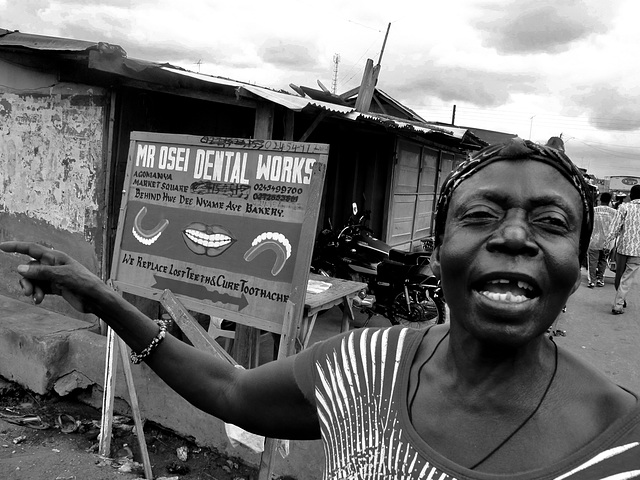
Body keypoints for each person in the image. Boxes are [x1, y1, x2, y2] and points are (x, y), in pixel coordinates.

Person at [2, 137, 639, 479]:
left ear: (580, 269)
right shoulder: (367, 366)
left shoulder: (620, 446)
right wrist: (102, 296)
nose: (514, 236)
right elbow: (229, 390)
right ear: (438, 248)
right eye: (481, 216)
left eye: (551, 223)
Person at [605, 184, 640, 314]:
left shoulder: (624, 207)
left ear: (631, 195)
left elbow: (614, 227)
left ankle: (619, 302)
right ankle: (620, 301)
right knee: (627, 278)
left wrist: (607, 242)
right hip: (637, 251)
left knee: (619, 276)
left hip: (622, 248)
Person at [587, 192, 617, 288]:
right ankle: (600, 279)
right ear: (609, 201)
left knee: (592, 261)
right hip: (607, 242)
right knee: (603, 260)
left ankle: (592, 281)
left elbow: (588, 224)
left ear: (600, 199)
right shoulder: (614, 212)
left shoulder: (593, 210)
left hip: (593, 240)